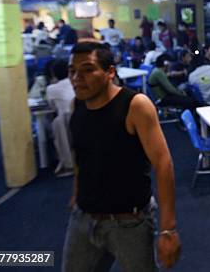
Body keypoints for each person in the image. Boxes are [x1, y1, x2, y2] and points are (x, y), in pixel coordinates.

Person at [63, 42, 180, 271]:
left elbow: (163, 164)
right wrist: (77, 192)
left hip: (129, 223)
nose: (77, 78)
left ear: (110, 72)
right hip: (84, 219)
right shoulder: (77, 105)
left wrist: (168, 229)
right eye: (72, 71)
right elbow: (81, 153)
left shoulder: (135, 105)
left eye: (87, 70)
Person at [46, 59, 75, 177]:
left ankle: (66, 163)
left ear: (53, 74)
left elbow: (51, 106)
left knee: (52, 123)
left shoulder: (52, 89)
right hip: (83, 116)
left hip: (65, 121)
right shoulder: (76, 82)